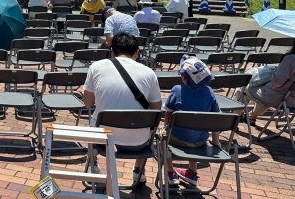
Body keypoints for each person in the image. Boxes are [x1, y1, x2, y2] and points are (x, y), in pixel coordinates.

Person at [83, 33, 162, 181]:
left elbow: (87, 103)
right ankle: (139, 170)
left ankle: (92, 164)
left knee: (93, 119)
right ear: (136, 53)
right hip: (139, 143)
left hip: (104, 142)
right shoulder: (149, 73)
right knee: (147, 120)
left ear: (112, 51)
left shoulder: (96, 67)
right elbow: (156, 108)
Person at [163, 56, 220, 187]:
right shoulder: (209, 92)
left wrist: (166, 129)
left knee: (161, 142)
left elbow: (168, 112)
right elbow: (216, 119)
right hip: (200, 141)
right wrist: (216, 142)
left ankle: (170, 173)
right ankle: (192, 173)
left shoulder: (177, 90)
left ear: (184, 77)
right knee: (194, 131)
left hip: (175, 138)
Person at [246, 40, 295, 123]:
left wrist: (275, 72)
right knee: (265, 89)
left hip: (283, 99)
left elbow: (277, 84)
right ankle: (252, 116)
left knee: (244, 86)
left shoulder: (292, 59)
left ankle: (231, 118)